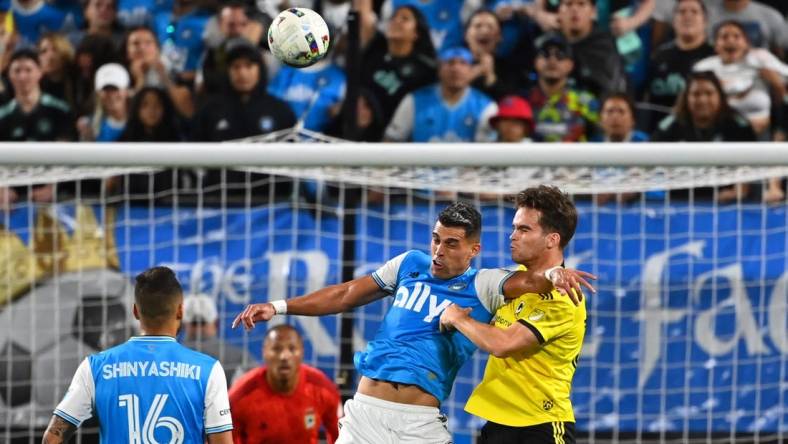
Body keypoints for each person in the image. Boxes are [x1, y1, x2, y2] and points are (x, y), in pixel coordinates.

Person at [233, 202, 595, 443]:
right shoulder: (409, 264)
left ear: (474, 250)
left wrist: (555, 273)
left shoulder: (484, 284)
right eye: (436, 239)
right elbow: (345, 294)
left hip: (420, 424)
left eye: (452, 244)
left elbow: (529, 281)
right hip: (364, 415)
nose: (439, 250)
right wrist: (278, 306)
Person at [440, 186, 584, 444]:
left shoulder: (564, 296)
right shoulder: (511, 281)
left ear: (552, 239)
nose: (512, 236)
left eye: (524, 229)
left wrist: (459, 318)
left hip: (541, 424)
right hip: (498, 423)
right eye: (514, 227)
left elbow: (503, 344)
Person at [42, 266, 234, 443]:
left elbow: (52, 437)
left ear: (135, 311)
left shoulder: (96, 366)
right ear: (180, 311)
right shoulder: (208, 370)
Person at [229, 325, 341, 444]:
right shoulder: (239, 396)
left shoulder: (323, 389)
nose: (284, 357)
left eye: (292, 349)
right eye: (276, 349)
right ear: (264, 352)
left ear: (302, 352)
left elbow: (341, 436)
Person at [693, 20, 788, 138]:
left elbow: (784, 91)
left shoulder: (761, 59)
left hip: (763, 134)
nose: (730, 40)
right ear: (716, 45)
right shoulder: (704, 68)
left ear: (746, 43)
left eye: (736, 36)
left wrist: (777, 85)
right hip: (719, 132)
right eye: (724, 37)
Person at [384, 46, 497, 142]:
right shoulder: (414, 101)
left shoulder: (486, 106)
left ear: (471, 70)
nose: (456, 69)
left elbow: (486, 154)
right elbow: (391, 140)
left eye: (463, 63)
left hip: (466, 168)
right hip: (421, 167)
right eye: (450, 63)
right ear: (439, 70)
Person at [191, 41, 295, 141]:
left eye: (248, 66)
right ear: (227, 71)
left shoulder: (280, 110)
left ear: (260, 69)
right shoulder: (210, 111)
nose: (242, 73)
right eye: (236, 67)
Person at [358, 5, 437, 126]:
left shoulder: (425, 71)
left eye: (405, 19)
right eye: (393, 17)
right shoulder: (374, 51)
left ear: (416, 33)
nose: (397, 21)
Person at [524, 33, 599, 142]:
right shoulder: (523, 101)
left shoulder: (585, 102)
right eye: (545, 54)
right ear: (536, 62)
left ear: (570, 65)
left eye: (560, 55)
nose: (552, 61)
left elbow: (597, 139)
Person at [0, 49, 74, 141]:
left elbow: (66, 149)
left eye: (28, 70)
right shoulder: (3, 116)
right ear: (9, 75)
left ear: (40, 72)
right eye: (17, 71)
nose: (22, 77)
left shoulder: (60, 111)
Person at [182, 293, 256, 387]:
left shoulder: (169, 356)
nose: (199, 328)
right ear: (216, 323)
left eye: (202, 323)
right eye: (195, 324)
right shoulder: (239, 357)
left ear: (183, 325)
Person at [557, 0, 627, 96]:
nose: (574, 9)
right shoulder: (550, 44)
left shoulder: (605, 46)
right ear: (559, 11)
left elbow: (612, 88)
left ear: (593, 11)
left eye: (581, 4)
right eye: (568, 4)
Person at [78, 62, 130, 141]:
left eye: (115, 89)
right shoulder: (89, 125)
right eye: (106, 90)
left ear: (126, 91)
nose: (111, 95)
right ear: (98, 94)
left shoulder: (141, 121)